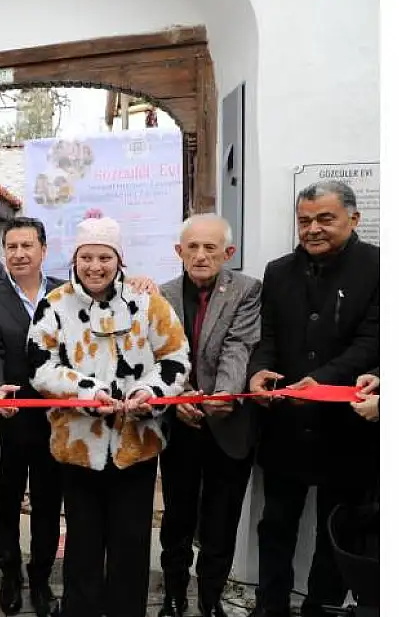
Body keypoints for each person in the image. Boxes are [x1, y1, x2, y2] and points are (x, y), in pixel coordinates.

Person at [27, 216, 190, 617]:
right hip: (78, 445)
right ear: (75, 259)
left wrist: (147, 391)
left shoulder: (147, 303)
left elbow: (175, 356)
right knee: (82, 543)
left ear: (119, 259)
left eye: (104, 257)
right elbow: (39, 366)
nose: (95, 266)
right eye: (86, 257)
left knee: (131, 544)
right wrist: (86, 392)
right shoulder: (55, 304)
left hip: (136, 444)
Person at [246, 180, 379, 617]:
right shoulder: (279, 270)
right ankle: (270, 606)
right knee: (276, 525)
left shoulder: (380, 267)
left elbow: (371, 342)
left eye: (325, 218)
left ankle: (321, 607)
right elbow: (267, 338)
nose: (313, 229)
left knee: (334, 528)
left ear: (353, 219)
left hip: (348, 428)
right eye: (304, 220)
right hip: (286, 426)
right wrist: (258, 373)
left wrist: (321, 382)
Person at [156, 215, 262, 617]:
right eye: (192, 247)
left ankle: (211, 597)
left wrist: (222, 395)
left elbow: (239, 346)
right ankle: (173, 594)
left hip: (228, 421)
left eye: (210, 248)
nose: (200, 256)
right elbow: (161, 353)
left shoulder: (247, 291)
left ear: (227, 253)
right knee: (177, 517)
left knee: (222, 518)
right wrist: (178, 395)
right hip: (179, 423)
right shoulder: (161, 295)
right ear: (179, 251)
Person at [0, 217, 64, 617]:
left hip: (57, 419)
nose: (20, 254)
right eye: (12, 247)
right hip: (9, 418)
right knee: (5, 502)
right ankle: (10, 573)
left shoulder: (67, 293)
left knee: (47, 503)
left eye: (28, 246)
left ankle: (41, 579)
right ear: (3, 252)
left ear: (43, 249)